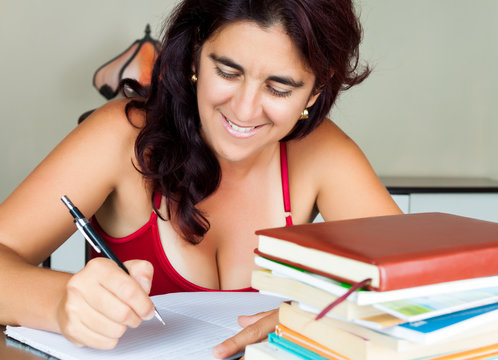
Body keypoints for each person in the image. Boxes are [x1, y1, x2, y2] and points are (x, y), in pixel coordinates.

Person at [0, 0, 402, 358]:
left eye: (279, 88)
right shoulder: (121, 136)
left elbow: (426, 289)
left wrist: (316, 320)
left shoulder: (322, 152)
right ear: (195, 54)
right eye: (227, 72)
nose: (244, 110)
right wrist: (59, 303)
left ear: (315, 91)